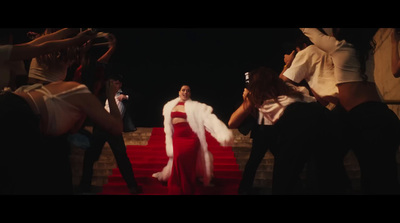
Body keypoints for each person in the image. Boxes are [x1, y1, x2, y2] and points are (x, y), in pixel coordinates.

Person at [301, 28, 400, 194]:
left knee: (325, 157)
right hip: (383, 117)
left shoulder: (338, 46)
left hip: (362, 117)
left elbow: (310, 32)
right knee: (382, 177)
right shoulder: (367, 50)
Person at [0, 77, 123, 194]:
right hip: (18, 117)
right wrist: (111, 96)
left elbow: (74, 129)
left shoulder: (58, 92)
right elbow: (116, 127)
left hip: (14, 109)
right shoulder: (79, 91)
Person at [228, 66, 328, 195]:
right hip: (319, 119)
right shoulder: (292, 90)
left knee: (283, 172)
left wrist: (248, 99)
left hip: (293, 125)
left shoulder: (257, 95)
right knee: (312, 168)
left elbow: (232, 122)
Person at [280, 30, 351, 194]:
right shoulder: (329, 51)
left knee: (319, 163)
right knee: (331, 161)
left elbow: (282, 82)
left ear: (302, 46)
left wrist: (289, 63)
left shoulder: (308, 51)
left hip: (336, 109)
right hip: (345, 105)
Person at [152, 84, 233, 195]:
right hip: (178, 137)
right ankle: (177, 183)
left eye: (188, 91)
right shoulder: (169, 106)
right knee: (178, 158)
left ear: (190, 93)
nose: (185, 92)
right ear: (179, 92)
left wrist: (222, 133)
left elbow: (210, 118)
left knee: (187, 161)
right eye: (183, 90)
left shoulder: (196, 106)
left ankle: (187, 184)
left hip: (191, 138)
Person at [78, 74, 142, 195]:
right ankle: (84, 186)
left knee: (122, 158)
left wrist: (126, 96)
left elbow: (140, 98)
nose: (113, 86)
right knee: (90, 157)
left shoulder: (126, 95)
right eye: (110, 84)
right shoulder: (103, 96)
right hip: (101, 128)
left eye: (115, 84)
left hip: (114, 129)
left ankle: (132, 186)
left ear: (120, 84)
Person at [0, 29, 95, 90]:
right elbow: (42, 48)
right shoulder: (3, 52)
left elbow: (34, 45)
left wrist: (68, 31)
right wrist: (74, 40)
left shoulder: (4, 52)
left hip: (36, 90)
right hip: (47, 90)